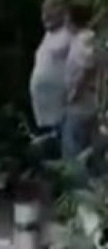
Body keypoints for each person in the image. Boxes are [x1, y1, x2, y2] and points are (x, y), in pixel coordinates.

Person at [62, 2, 101, 174]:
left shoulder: (84, 40)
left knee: (74, 154)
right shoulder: (89, 38)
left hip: (80, 105)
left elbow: (88, 66)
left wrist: (75, 93)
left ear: (71, 19)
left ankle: (79, 193)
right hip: (89, 102)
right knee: (91, 153)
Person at [30, 0, 71, 141]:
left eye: (49, 12)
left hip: (65, 111)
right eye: (43, 13)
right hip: (47, 113)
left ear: (62, 11)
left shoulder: (71, 33)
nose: (44, 17)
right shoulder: (48, 36)